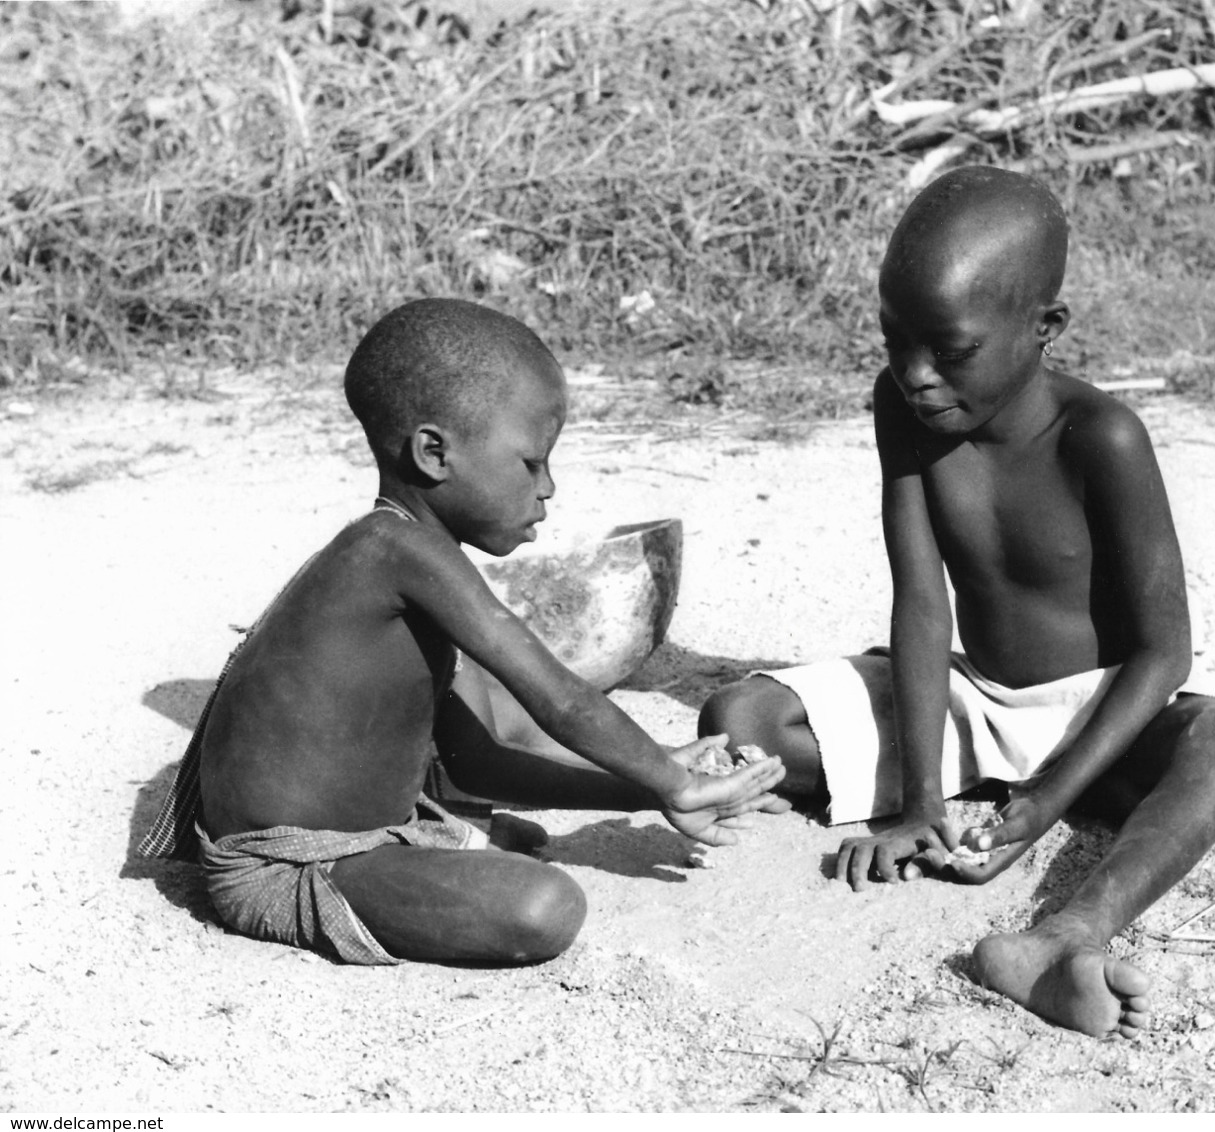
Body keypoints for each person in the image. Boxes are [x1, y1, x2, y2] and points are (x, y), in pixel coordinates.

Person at [699, 167, 1215, 1039]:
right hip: (976, 703)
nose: (916, 374)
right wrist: (921, 804)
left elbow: (1165, 653)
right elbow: (922, 601)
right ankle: (965, 787)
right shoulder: (905, 412)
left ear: (1044, 329)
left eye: (950, 350)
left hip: (1099, 714)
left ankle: (1066, 935)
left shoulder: (1104, 437)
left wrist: (1044, 803)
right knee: (742, 712)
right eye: (895, 342)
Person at [139, 298, 786, 966]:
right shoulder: (396, 551)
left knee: (521, 848)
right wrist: (672, 778)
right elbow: (560, 698)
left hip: (370, 826)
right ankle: (417, 857)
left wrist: (652, 785)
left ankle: (431, 849)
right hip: (284, 867)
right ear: (434, 452)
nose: (549, 488)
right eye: (531, 463)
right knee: (543, 907)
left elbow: (480, 758)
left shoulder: (407, 550)